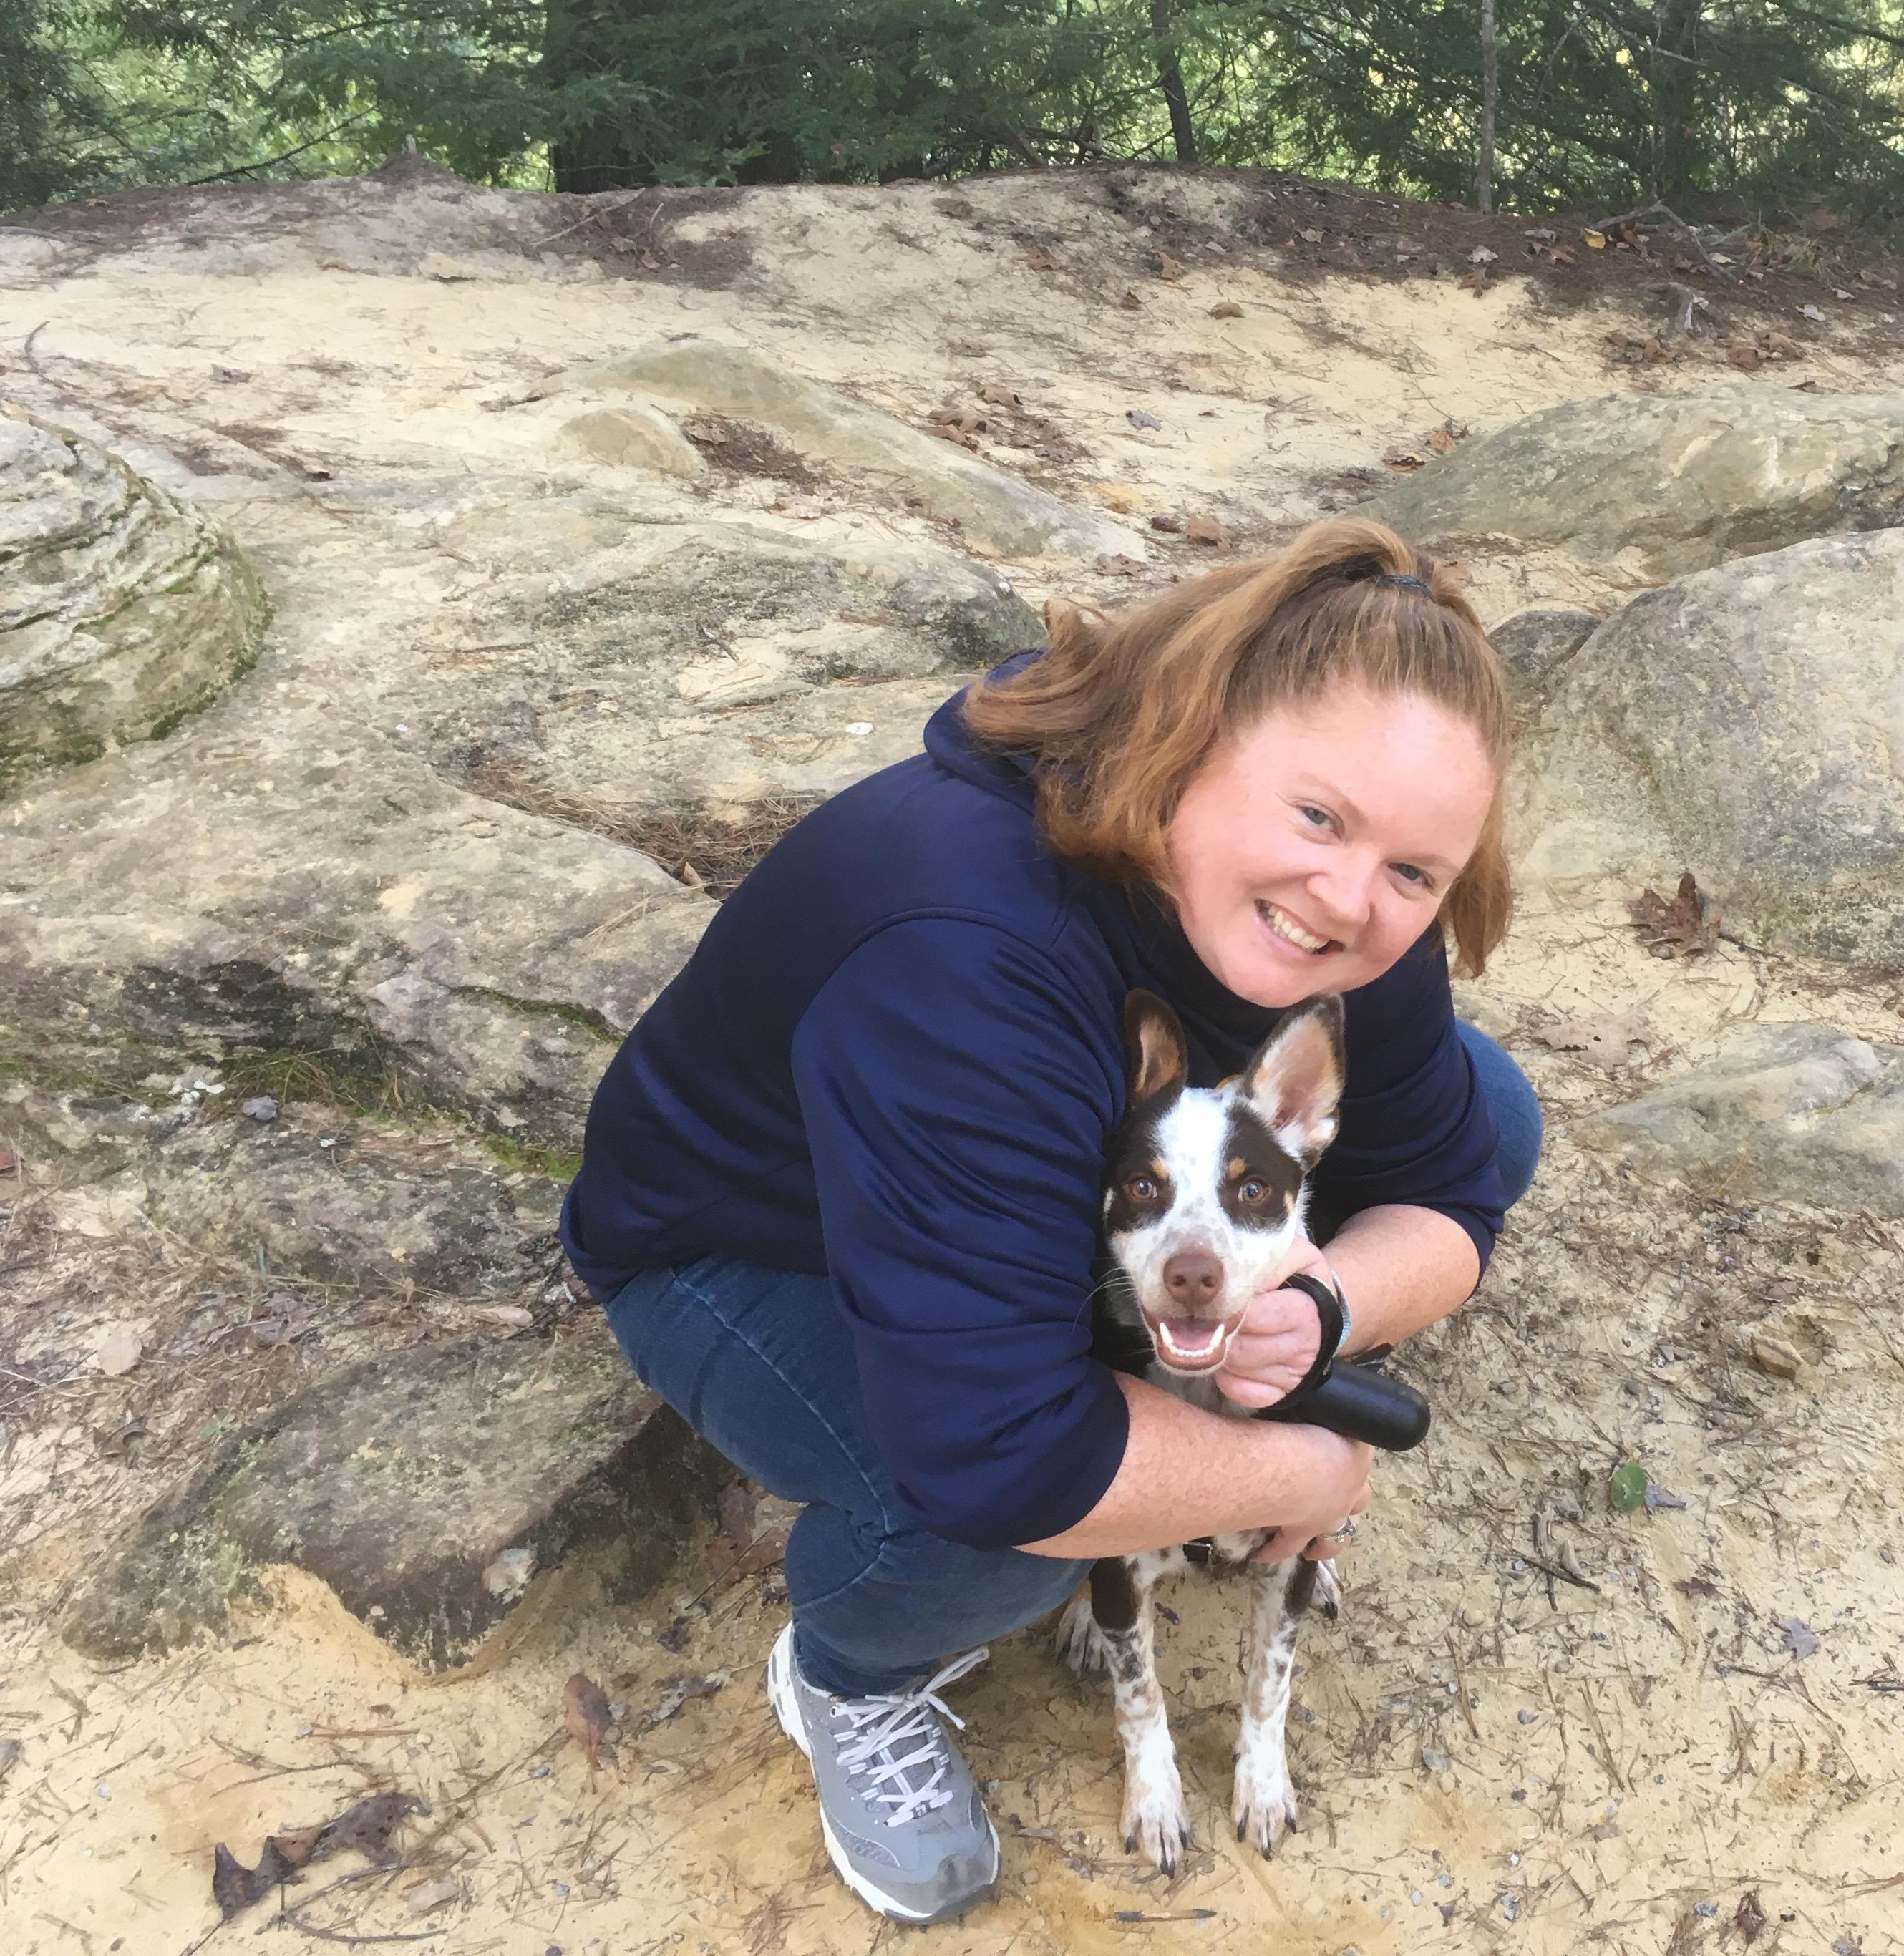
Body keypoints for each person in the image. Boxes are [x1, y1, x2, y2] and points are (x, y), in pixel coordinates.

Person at [560, 517, 1540, 1925]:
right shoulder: (969, 942)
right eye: (1316, 818)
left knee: (1486, 1112)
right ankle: (848, 1674)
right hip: (749, 1247)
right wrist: (1296, 1476)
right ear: (1195, 740)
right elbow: (1000, 1456)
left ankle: (1108, 1338)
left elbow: (1453, 1192)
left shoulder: (1348, 916)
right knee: (993, 1524)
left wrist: (1320, 1311)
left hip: (1064, 1169)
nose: (1350, 900)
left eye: (1415, 874)